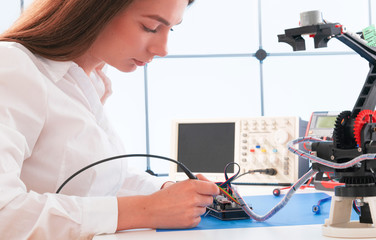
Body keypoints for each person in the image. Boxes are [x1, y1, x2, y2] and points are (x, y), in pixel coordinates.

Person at [0, 0, 220, 239]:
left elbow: (97, 177)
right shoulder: (13, 67)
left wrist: (163, 191)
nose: (163, 49)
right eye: (151, 27)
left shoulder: (90, 82)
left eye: (172, 28)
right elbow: (4, 211)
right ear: (94, 9)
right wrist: (146, 210)